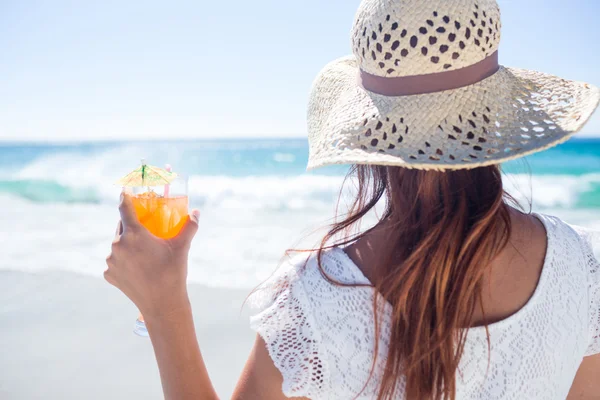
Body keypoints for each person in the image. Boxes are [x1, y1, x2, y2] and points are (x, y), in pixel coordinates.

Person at [104, 0, 600, 398]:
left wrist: (165, 305)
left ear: (370, 130)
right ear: (495, 115)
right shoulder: (583, 265)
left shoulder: (316, 298)